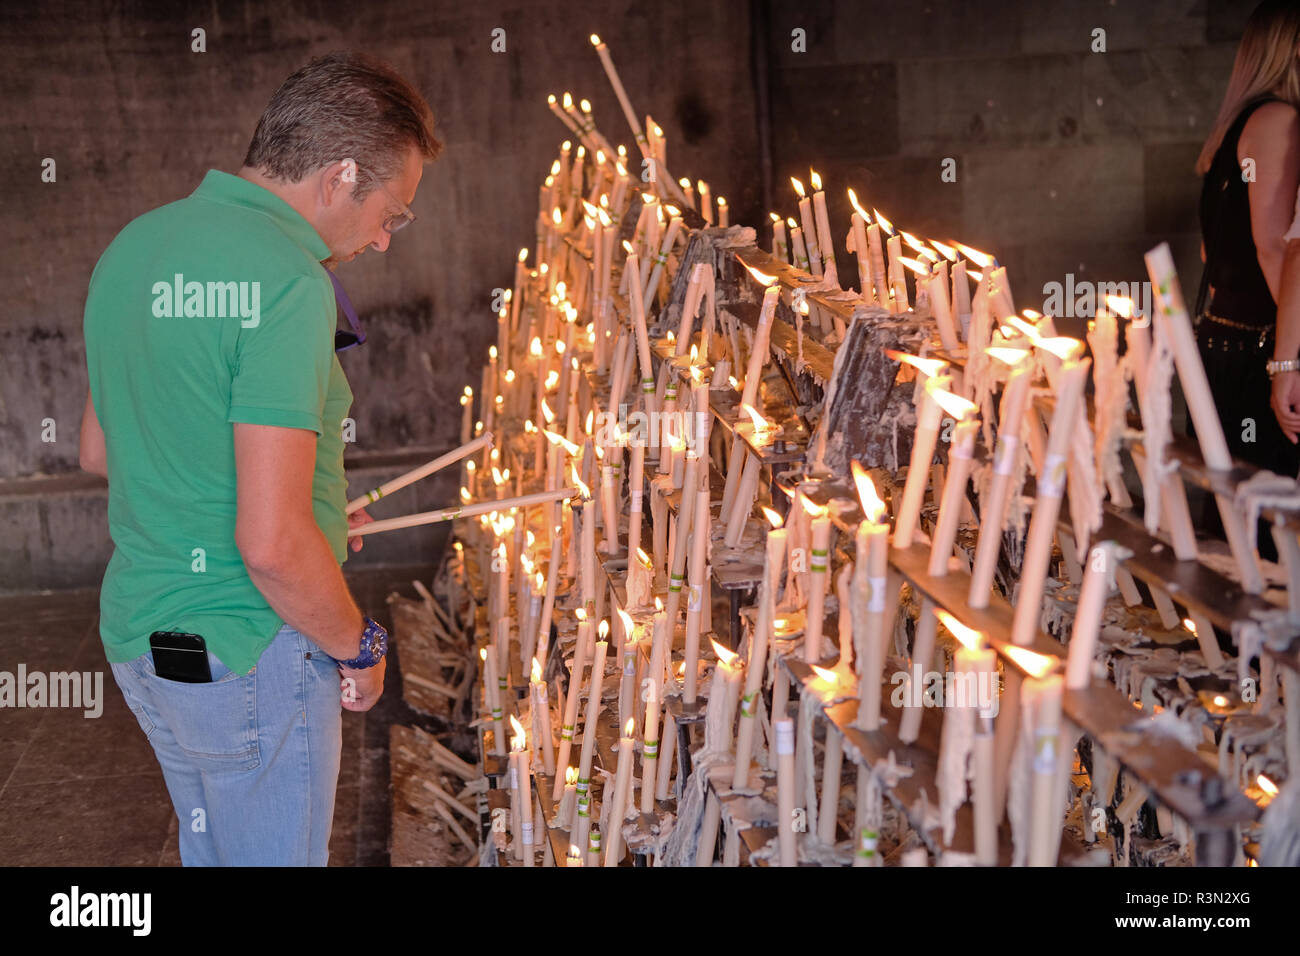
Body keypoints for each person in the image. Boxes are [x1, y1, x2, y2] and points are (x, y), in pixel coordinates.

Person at [77, 52, 441, 865]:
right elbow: (271, 548)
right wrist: (362, 648)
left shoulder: (135, 247)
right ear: (341, 175)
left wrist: (309, 511)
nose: (384, 239)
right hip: (247, 649)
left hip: (148, 642)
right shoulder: (284, 281)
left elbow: (103, 449)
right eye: (393, 212)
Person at [1195, 1, 1300, 558]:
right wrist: (1293, 353)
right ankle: (1257, 643)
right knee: (1263, 522)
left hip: (1225, 342)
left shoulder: (1236, 124)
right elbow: (1275, 247)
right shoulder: (1279, 119)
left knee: (1236, 514)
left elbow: (1214, 250)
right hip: (1256, 349)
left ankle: (1230, 642)